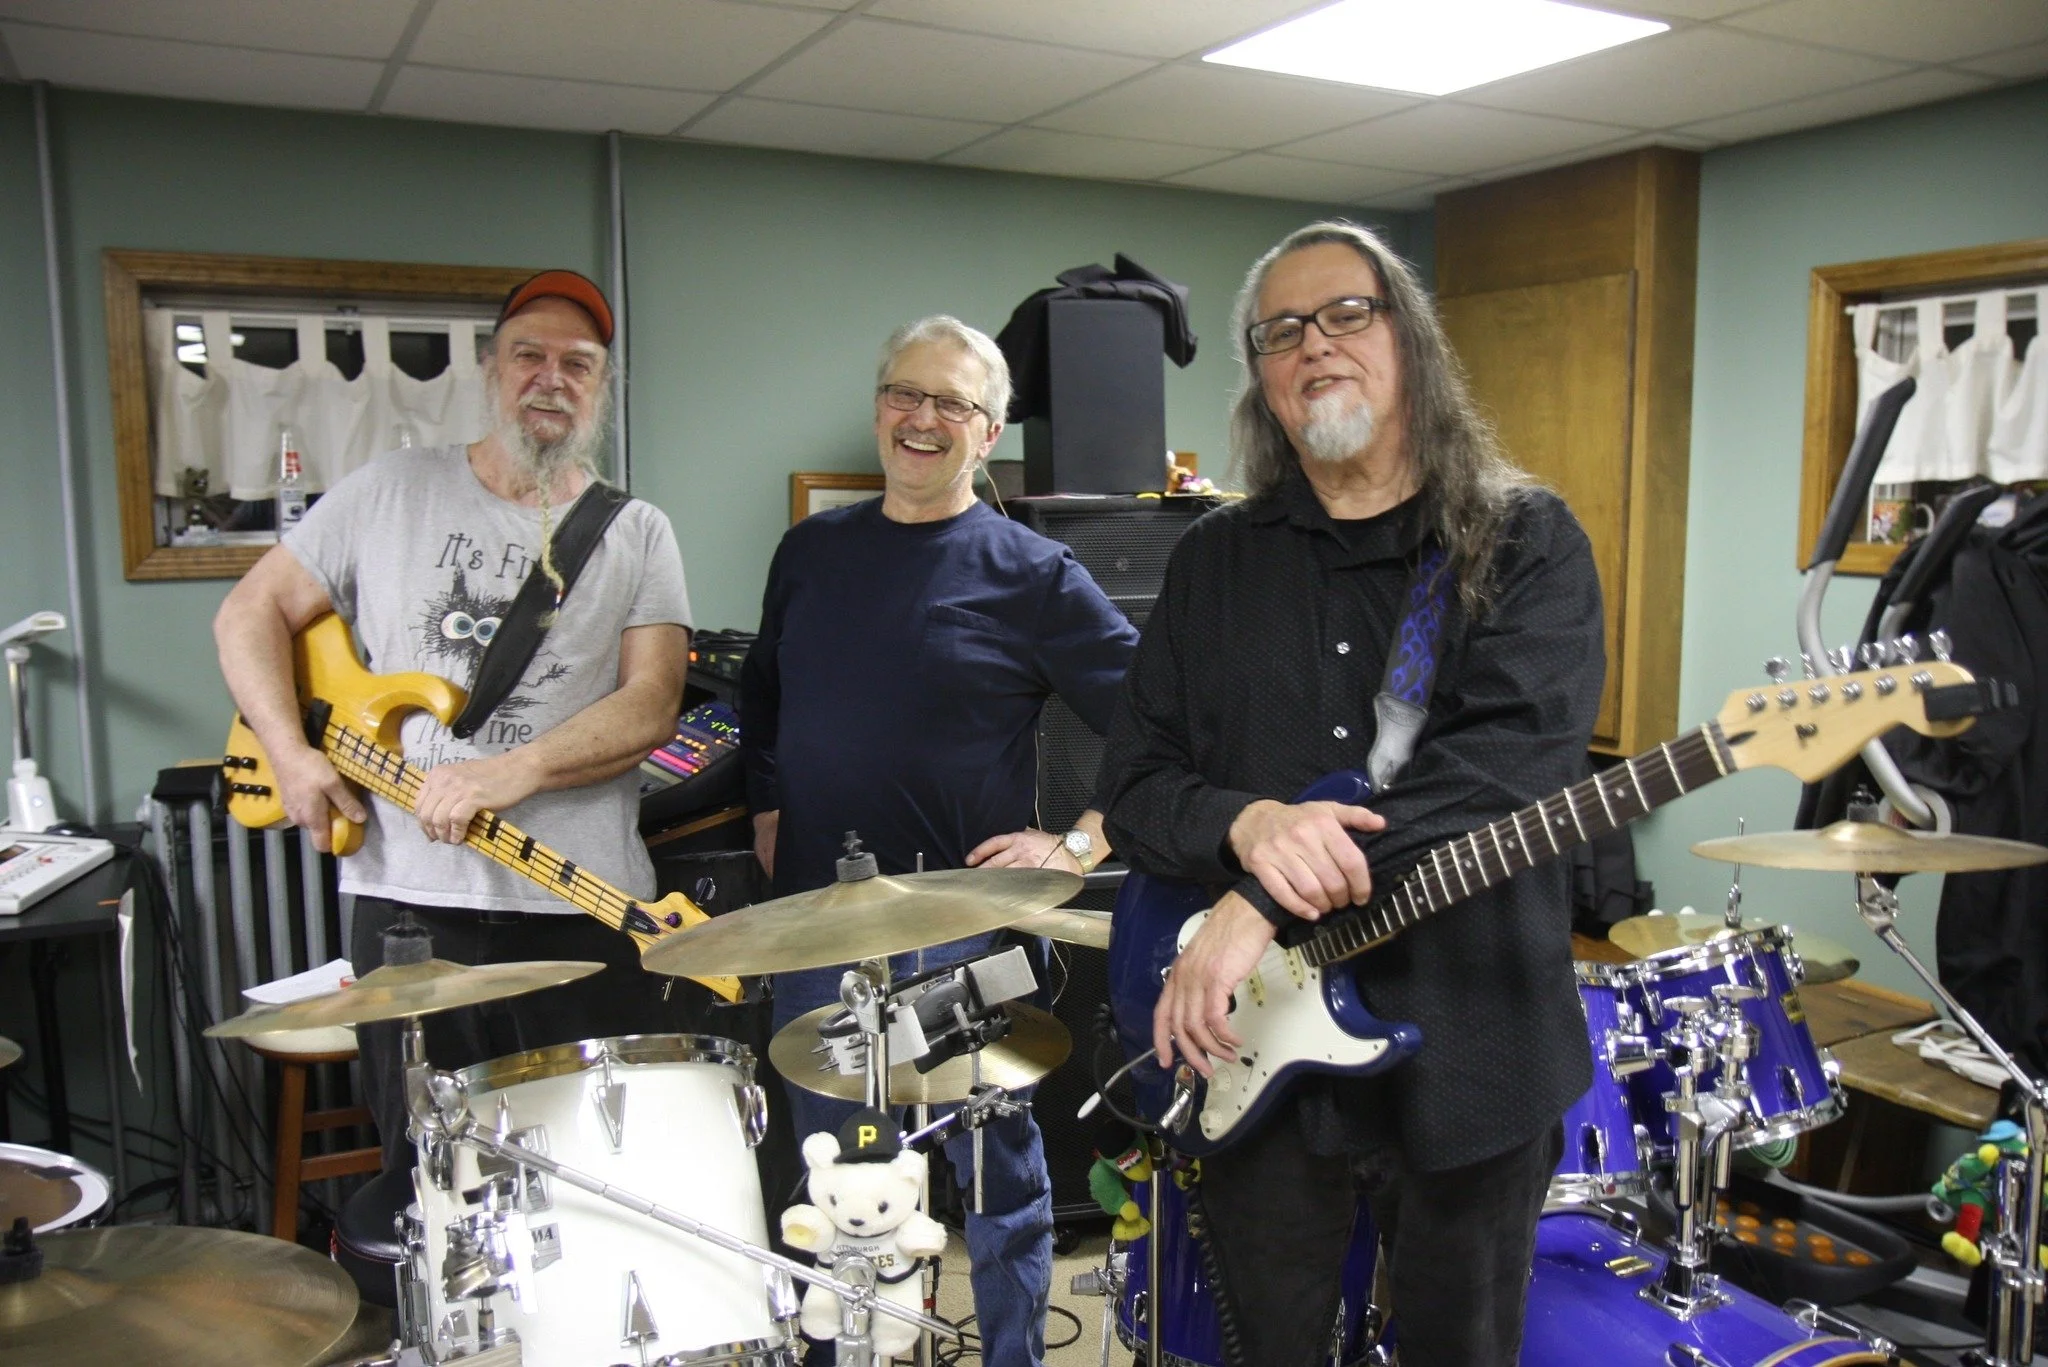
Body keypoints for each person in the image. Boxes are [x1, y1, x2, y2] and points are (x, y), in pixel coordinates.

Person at [1098, 222, 1605, 1367]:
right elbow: (1129, 780)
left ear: (1408, 342)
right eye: (1278, 332)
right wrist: (1246, 825)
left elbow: (1498, 774)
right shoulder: (1212, 560)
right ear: (1262, 383)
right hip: (1257, 1060)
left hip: (1473, 1057)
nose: (1311, 346)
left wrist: (1259, 901)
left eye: (1344, 315)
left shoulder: (1524, 540)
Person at [214, 269, 692, 1171]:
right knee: (430, 1172)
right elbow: (249, 614)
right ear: (490, 369)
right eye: (529, 355)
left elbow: (652, 700)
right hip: (409, 907)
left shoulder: (638, 531)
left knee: (597, 1170)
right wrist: (292, 752)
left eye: (578, 364)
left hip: (578, 906)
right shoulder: (387, 489)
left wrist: (518, 770)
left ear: (601, 387)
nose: (551, 377)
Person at [740, 315, 1138, 1367]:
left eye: (952, 402)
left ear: (990, 428)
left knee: (997, 1176)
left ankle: (1011, 1354)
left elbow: (1157, 718)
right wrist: (774, 822)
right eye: (904, 394)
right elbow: (766, 706)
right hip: (817, 931)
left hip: (964, 936)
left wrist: (1080, 843)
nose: (923, 417)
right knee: (831, 1181)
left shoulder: (1033, 572)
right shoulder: (809, 552)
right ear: (879, 409)